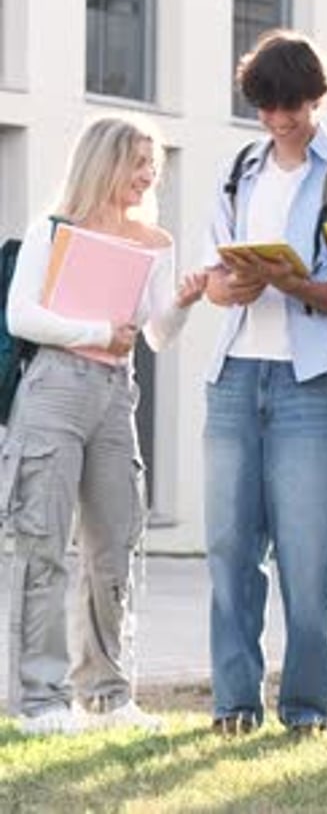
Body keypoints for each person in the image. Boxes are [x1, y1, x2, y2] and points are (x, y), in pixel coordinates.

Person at [202, 29, 327, 735]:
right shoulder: (238, 170)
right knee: (229, 552)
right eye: (267, 107)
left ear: (317, 99)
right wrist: (231, 287)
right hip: (233, 377)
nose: (280, 119)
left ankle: (307, 710)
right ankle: (233, 704)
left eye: (293, 106)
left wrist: (292, 282)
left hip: (309, 383)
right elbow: (215, 280)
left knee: (308, 562)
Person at [0, 116, 206, 736]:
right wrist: (95, 331)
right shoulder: (54, 230)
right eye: (138, 163)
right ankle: (40, 700)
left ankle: (107, 696)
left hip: (116, 393)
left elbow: (157, 334)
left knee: (113, 547)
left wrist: (184, 301)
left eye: (154, 167)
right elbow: (20, 316)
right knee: (42, 544)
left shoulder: (155, 242)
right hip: (54, 389)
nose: (148, 176)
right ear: (103, 163)